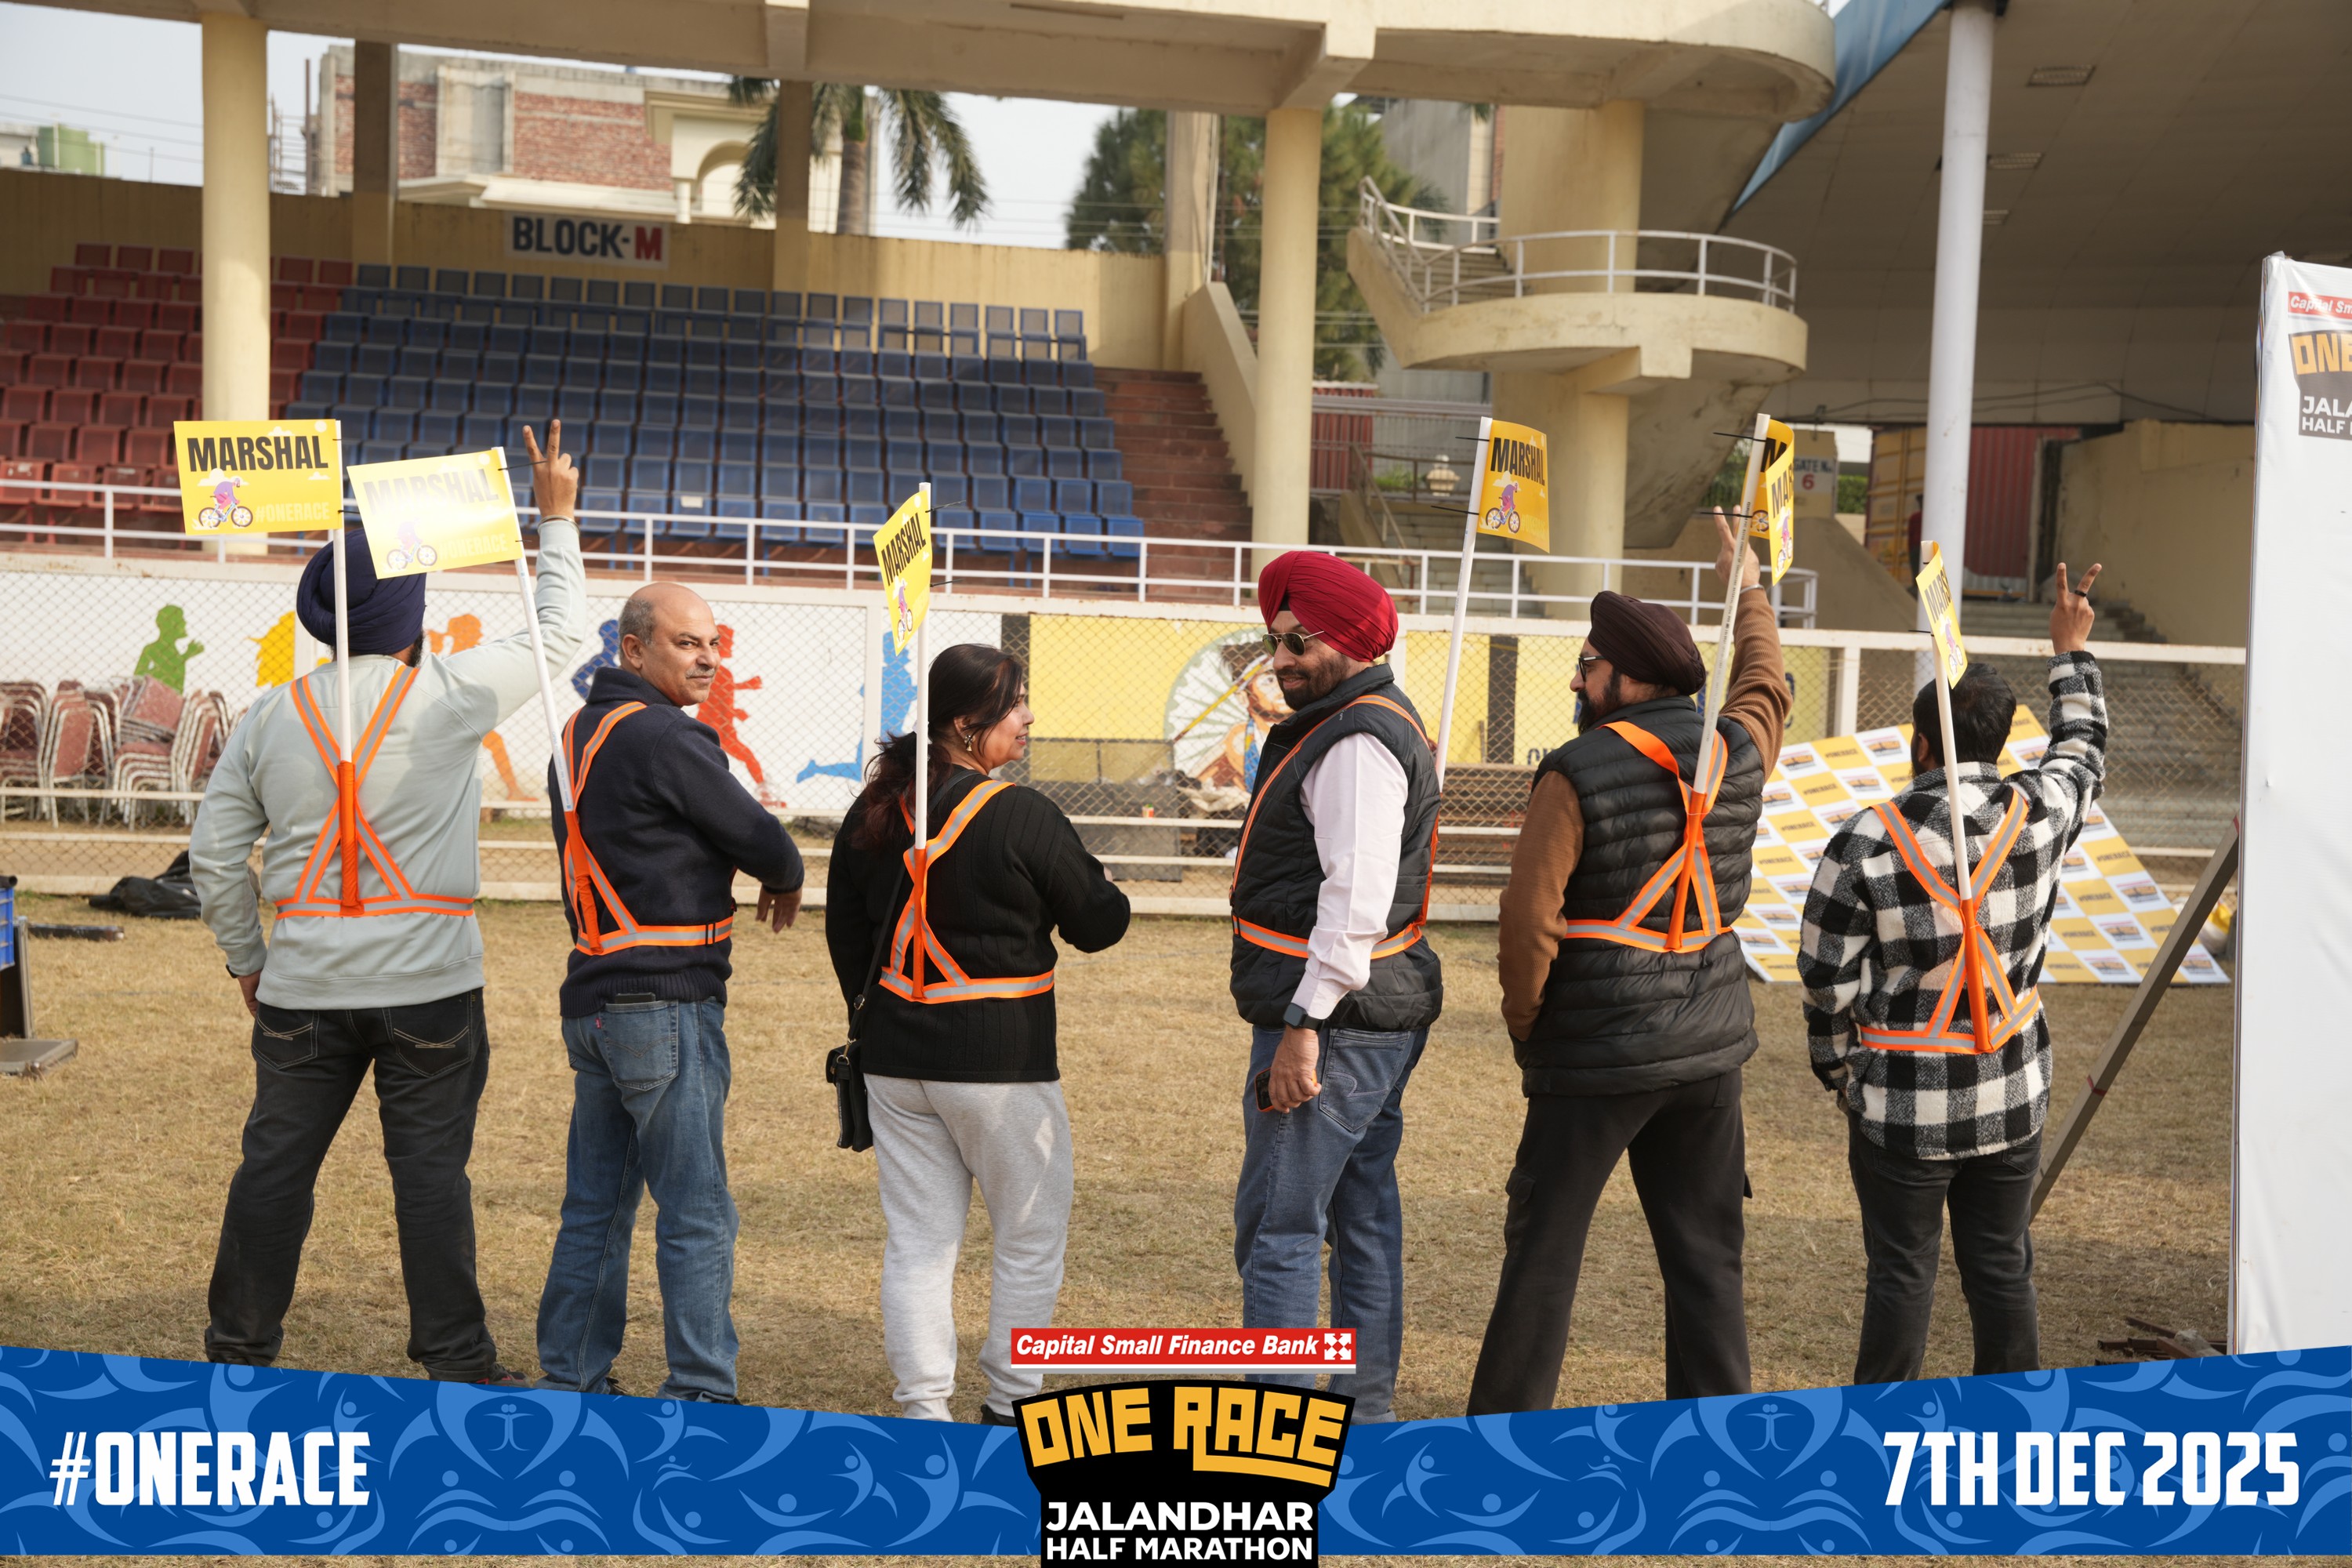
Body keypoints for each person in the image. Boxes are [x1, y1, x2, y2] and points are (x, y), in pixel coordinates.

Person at [188, 422, 586, 1384]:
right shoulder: (450, 692)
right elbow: (560, 636)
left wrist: (248, 958)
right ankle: (456, 1359)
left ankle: (237, 1350)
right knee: (431, 1176)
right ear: (414, 615)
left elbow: (213, 855)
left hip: (302, 987)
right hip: (431, 987)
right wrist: (557, 518)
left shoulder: (269, 715)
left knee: (274, 1170)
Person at [1468, 511, 1789, 1415]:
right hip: (1709, 1049)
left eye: (1589, 663)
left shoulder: (1572, 771)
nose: (1577, 679)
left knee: (1542, 1256)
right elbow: (1766, 681)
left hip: (1595, 1053)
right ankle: (1717, 1440)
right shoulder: (1738, 748)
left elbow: (1529, 920)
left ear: (1631, 676)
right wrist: (1750, 588)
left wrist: (1529, 1023)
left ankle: (1499, 1447)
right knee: (1707, 1262)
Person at [1798, 564, 2107, 1384]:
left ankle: (1880, 1434)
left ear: (1921, 744)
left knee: (1902, 1275)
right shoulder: (2038, 814)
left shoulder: (1864, 841)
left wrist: (1841, 1072)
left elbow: (1825, 979)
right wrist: (2070, 652)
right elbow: (2082, 751)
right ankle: (2014, 1427)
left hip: (1902, 1105)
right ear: (1997, 743)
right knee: (2002, 1267)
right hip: (2012, 1094)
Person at [826, 644, 1130, 1425]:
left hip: (894, 1059)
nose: (1027, 717)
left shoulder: (873, 810)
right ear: (965, 724)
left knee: (919, 1242)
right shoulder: (1023, 814)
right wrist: (1099, 883)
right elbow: (1099, 924)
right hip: (1001, 1063)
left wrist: (893, 1008)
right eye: (1014, 703)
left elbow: (847, 938)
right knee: (1029, 1236)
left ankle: (924, 1408)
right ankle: (1010, 1402)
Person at [535, 581, 808, 1404]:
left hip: (595, 998)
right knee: (696, 1210)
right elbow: (762, 838)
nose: (708, 659)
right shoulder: (666, 737)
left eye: (713, 643)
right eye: (687, 643)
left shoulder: (575, 736)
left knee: (595, 1207)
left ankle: (571, 1374)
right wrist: (786, 875)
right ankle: (701, 1387)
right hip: (664, 1002)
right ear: (633, 649)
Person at [1228, 550, 1441, 1425]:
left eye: (1299, 640)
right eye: (1275, 639)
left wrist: (1304, 1023)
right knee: (1362, 1217)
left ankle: (1277, 1433)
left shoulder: (1357, 738)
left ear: (1351, 641)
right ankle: (1365, 1414)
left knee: (1279, 1226)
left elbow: (1355, 901)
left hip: (1337, 1017)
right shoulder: (1355, 720)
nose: (1281, 657)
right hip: (1364, 1011)